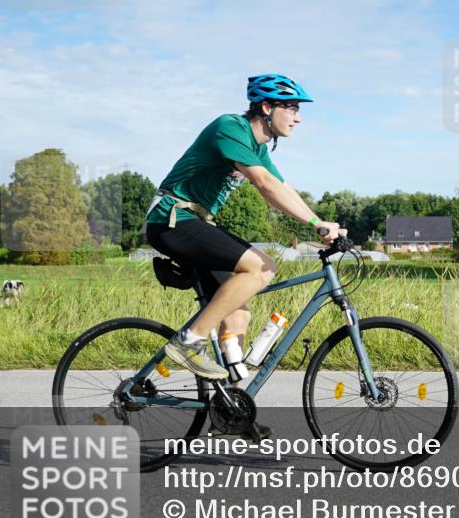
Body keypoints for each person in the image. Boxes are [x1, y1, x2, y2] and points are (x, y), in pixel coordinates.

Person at [145, 74, 345, 390]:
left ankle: (233, 407)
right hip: (172, 219)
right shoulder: (230, 127)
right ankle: (188, 342)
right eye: (292, 107)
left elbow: (280, 187)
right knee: (262, 267)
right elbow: (265, 185)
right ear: (266, 106)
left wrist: (321, 224)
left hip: (196, 222)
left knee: (238, 314)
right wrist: (314, 224)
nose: (298, 117)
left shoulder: (258, 147)